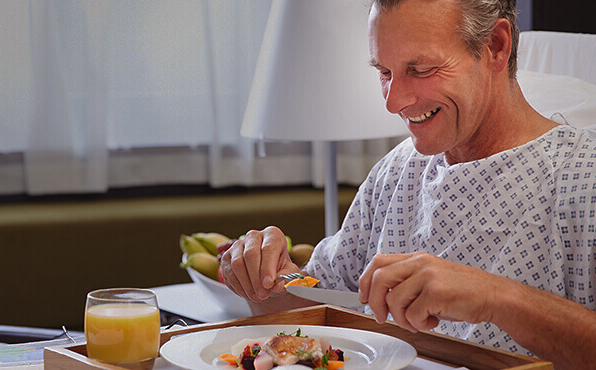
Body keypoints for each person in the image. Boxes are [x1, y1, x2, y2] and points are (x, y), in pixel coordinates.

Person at [220, 0, 596, 368]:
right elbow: (315, 311)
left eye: (421, 69)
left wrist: (496, 297)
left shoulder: (582, 176)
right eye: (384, 72)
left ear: (495, 46)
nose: (393, 101)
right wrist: (265, 277)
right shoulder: (396, 172)